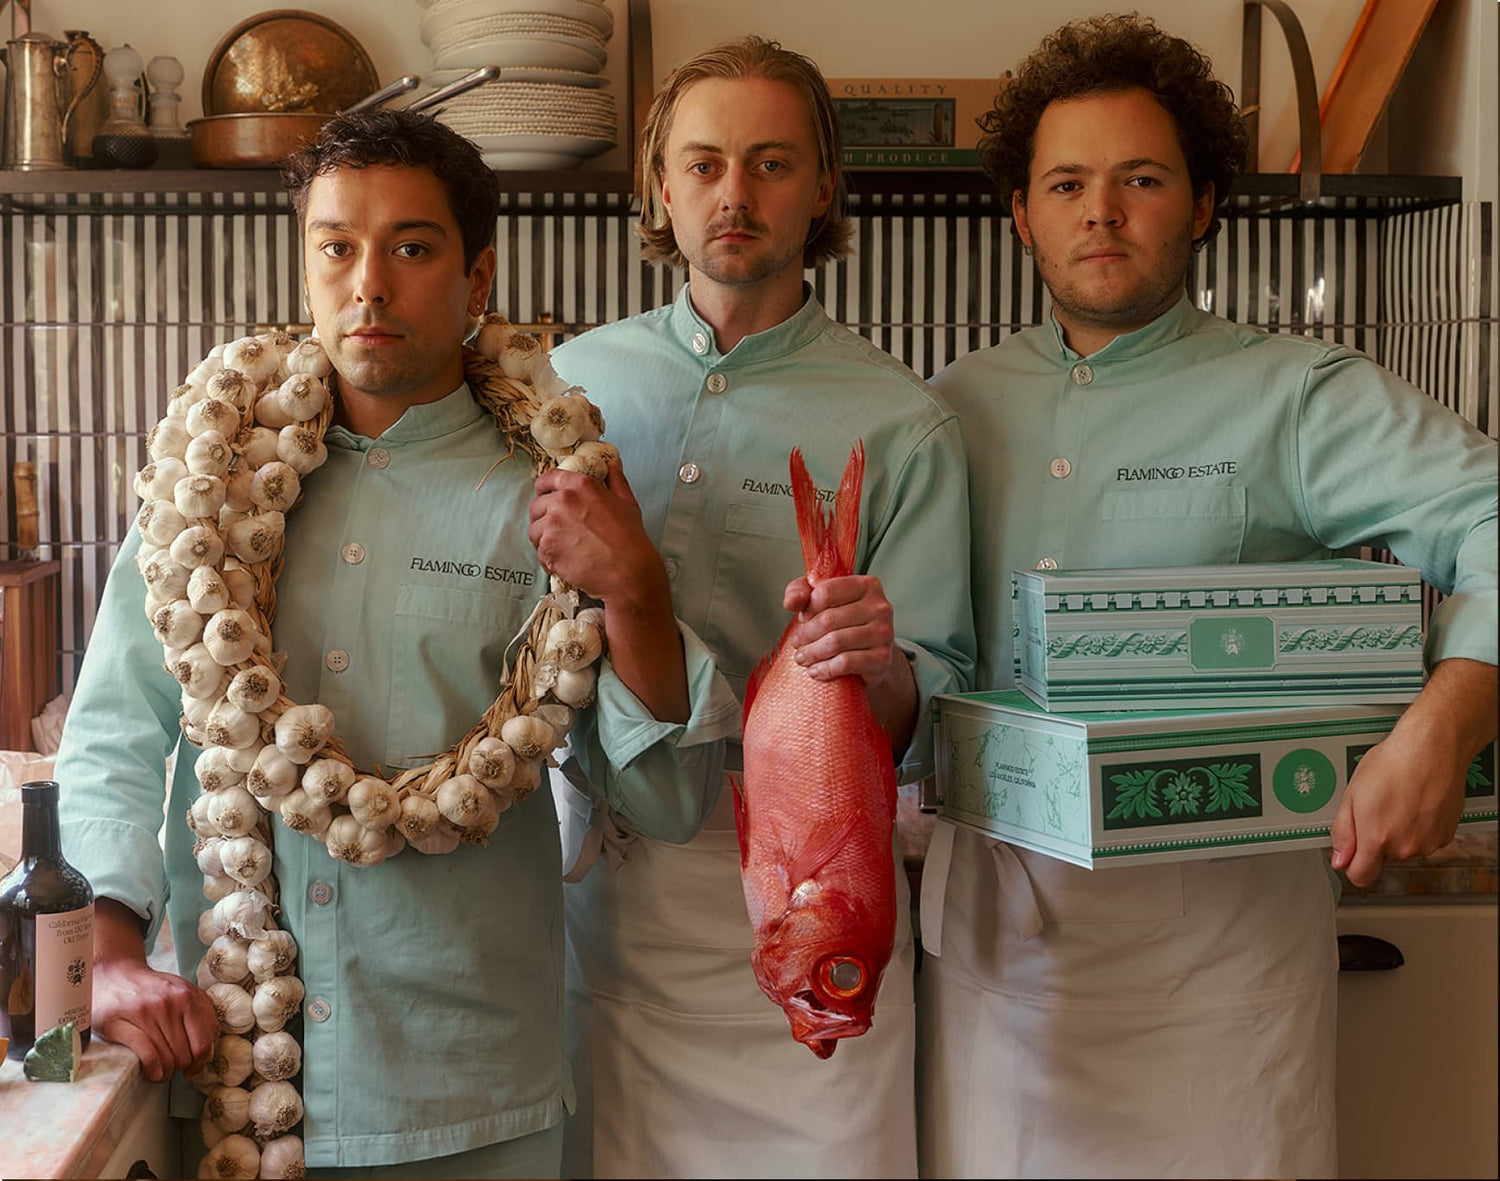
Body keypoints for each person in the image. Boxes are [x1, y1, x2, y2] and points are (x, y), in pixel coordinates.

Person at [52, 109, 738, 1179]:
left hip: (470, 1097)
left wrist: (638, 591)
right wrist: (109, 948)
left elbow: (663, 802)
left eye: (412, 248)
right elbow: (115, 728)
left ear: (476, 282)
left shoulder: (553, 496)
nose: (368, 283)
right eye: (337, 246)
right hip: (236, 1081)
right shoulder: (213, 485)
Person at [919, 15, 1498, 1179]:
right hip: (996, 964)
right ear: (1020, 211)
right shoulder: (948, 406)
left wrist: (1446, 721)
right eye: (1067, 182)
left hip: (1224, 981)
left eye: (1142, 178)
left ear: (1204, 203)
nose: (1103, 211)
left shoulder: (1295, 396)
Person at [545, 35, 976, 1180]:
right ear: (660, 187)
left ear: (825, 187)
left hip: (821, 886)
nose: (734, 194)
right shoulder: (567, 385)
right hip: (604, 887)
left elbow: (927, 715)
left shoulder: (902, 422)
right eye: (703, 164)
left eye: (773, 163)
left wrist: (881, 661)